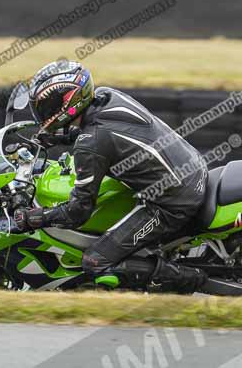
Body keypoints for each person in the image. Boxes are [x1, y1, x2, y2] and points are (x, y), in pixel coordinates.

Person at [13, 60, 221, 294]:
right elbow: (107, 135)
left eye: (46, 107)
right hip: (193, 169)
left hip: (173, 203)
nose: (43, 114)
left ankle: (194, 279)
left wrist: (35, 218)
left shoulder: (90, 144)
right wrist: (60, 138)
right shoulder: (106, 96)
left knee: (95, 261)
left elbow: (77, 212)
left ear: (67, 102)